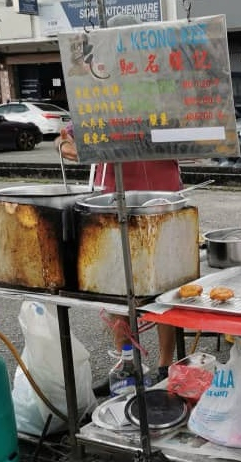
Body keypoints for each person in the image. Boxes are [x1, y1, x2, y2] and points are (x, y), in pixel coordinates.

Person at [56, 124, 181, 382]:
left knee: (166, 284)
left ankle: (165, 365)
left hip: (161, 197)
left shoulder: (162, 99)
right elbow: (67, 140)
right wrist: (65, 143)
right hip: (113, 198)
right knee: (117, 287)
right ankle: (127, 364)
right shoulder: (101, 101)